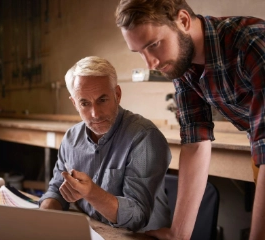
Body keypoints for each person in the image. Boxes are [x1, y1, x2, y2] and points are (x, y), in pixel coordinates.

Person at [115, 0, 265, 239]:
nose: (151, 63)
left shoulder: (252, 44)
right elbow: (195, 142)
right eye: (140, 52)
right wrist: (178, 234)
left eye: (154, 44)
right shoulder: (183, 68)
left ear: (183, 20)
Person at [39, 56, 172, 232]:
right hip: (95, 231)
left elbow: (138, 217)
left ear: (117, 94)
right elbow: (57, 189)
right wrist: (44, 216)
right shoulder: (71, 138)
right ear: (74, 103)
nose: (95, 114)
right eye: (84, 103)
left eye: (102, 100)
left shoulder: (144, 137)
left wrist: (91, 192)